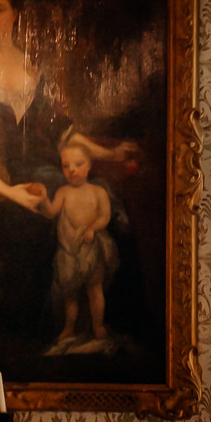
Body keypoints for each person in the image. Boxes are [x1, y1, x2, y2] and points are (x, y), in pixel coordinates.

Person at [0, 0, 137, 331]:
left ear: (14, 14)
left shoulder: (32, 68)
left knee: (103, 196)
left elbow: (62, 132)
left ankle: (108, 324)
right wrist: (11, 192)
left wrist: (110, 153)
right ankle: (51, 330)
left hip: (43, 173)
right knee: (40, 212)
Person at [36, 142, 120, 355]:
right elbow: (51, 212)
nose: (71, 169)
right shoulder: (63, 192)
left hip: (92, 249)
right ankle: (69, 328)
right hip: (69, 252)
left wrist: (92, 228)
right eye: (66, 166)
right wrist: (44, 199)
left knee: (94, 289)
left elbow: (105, 216)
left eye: (78, 164)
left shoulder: (98, 191)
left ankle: (97, 326)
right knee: (70, 293)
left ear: (89, 165)